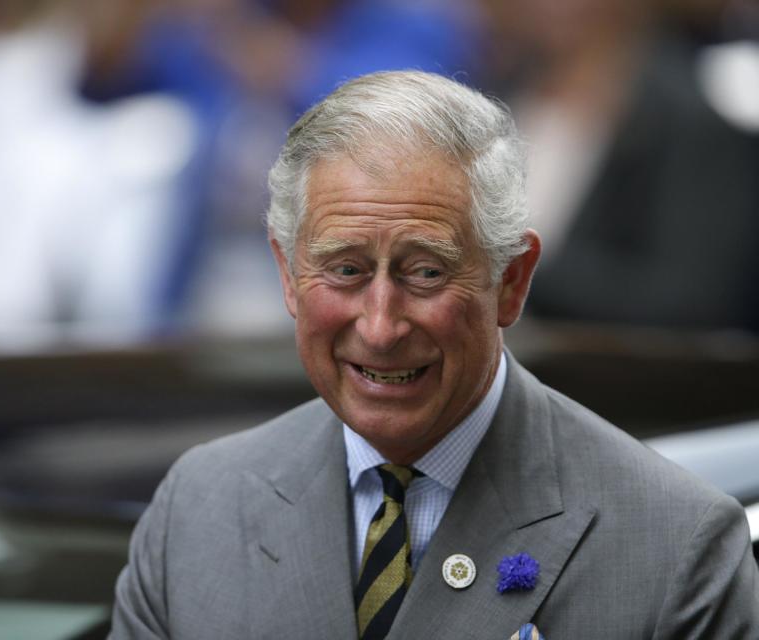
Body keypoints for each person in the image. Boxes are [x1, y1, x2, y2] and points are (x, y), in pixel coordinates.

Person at [109, 71, 759, 639]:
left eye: (425, 272)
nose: (383, 325)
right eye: (345, 270)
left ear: (511, 280)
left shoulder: (674, 544)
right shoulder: (199, 510)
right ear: (286, 275)